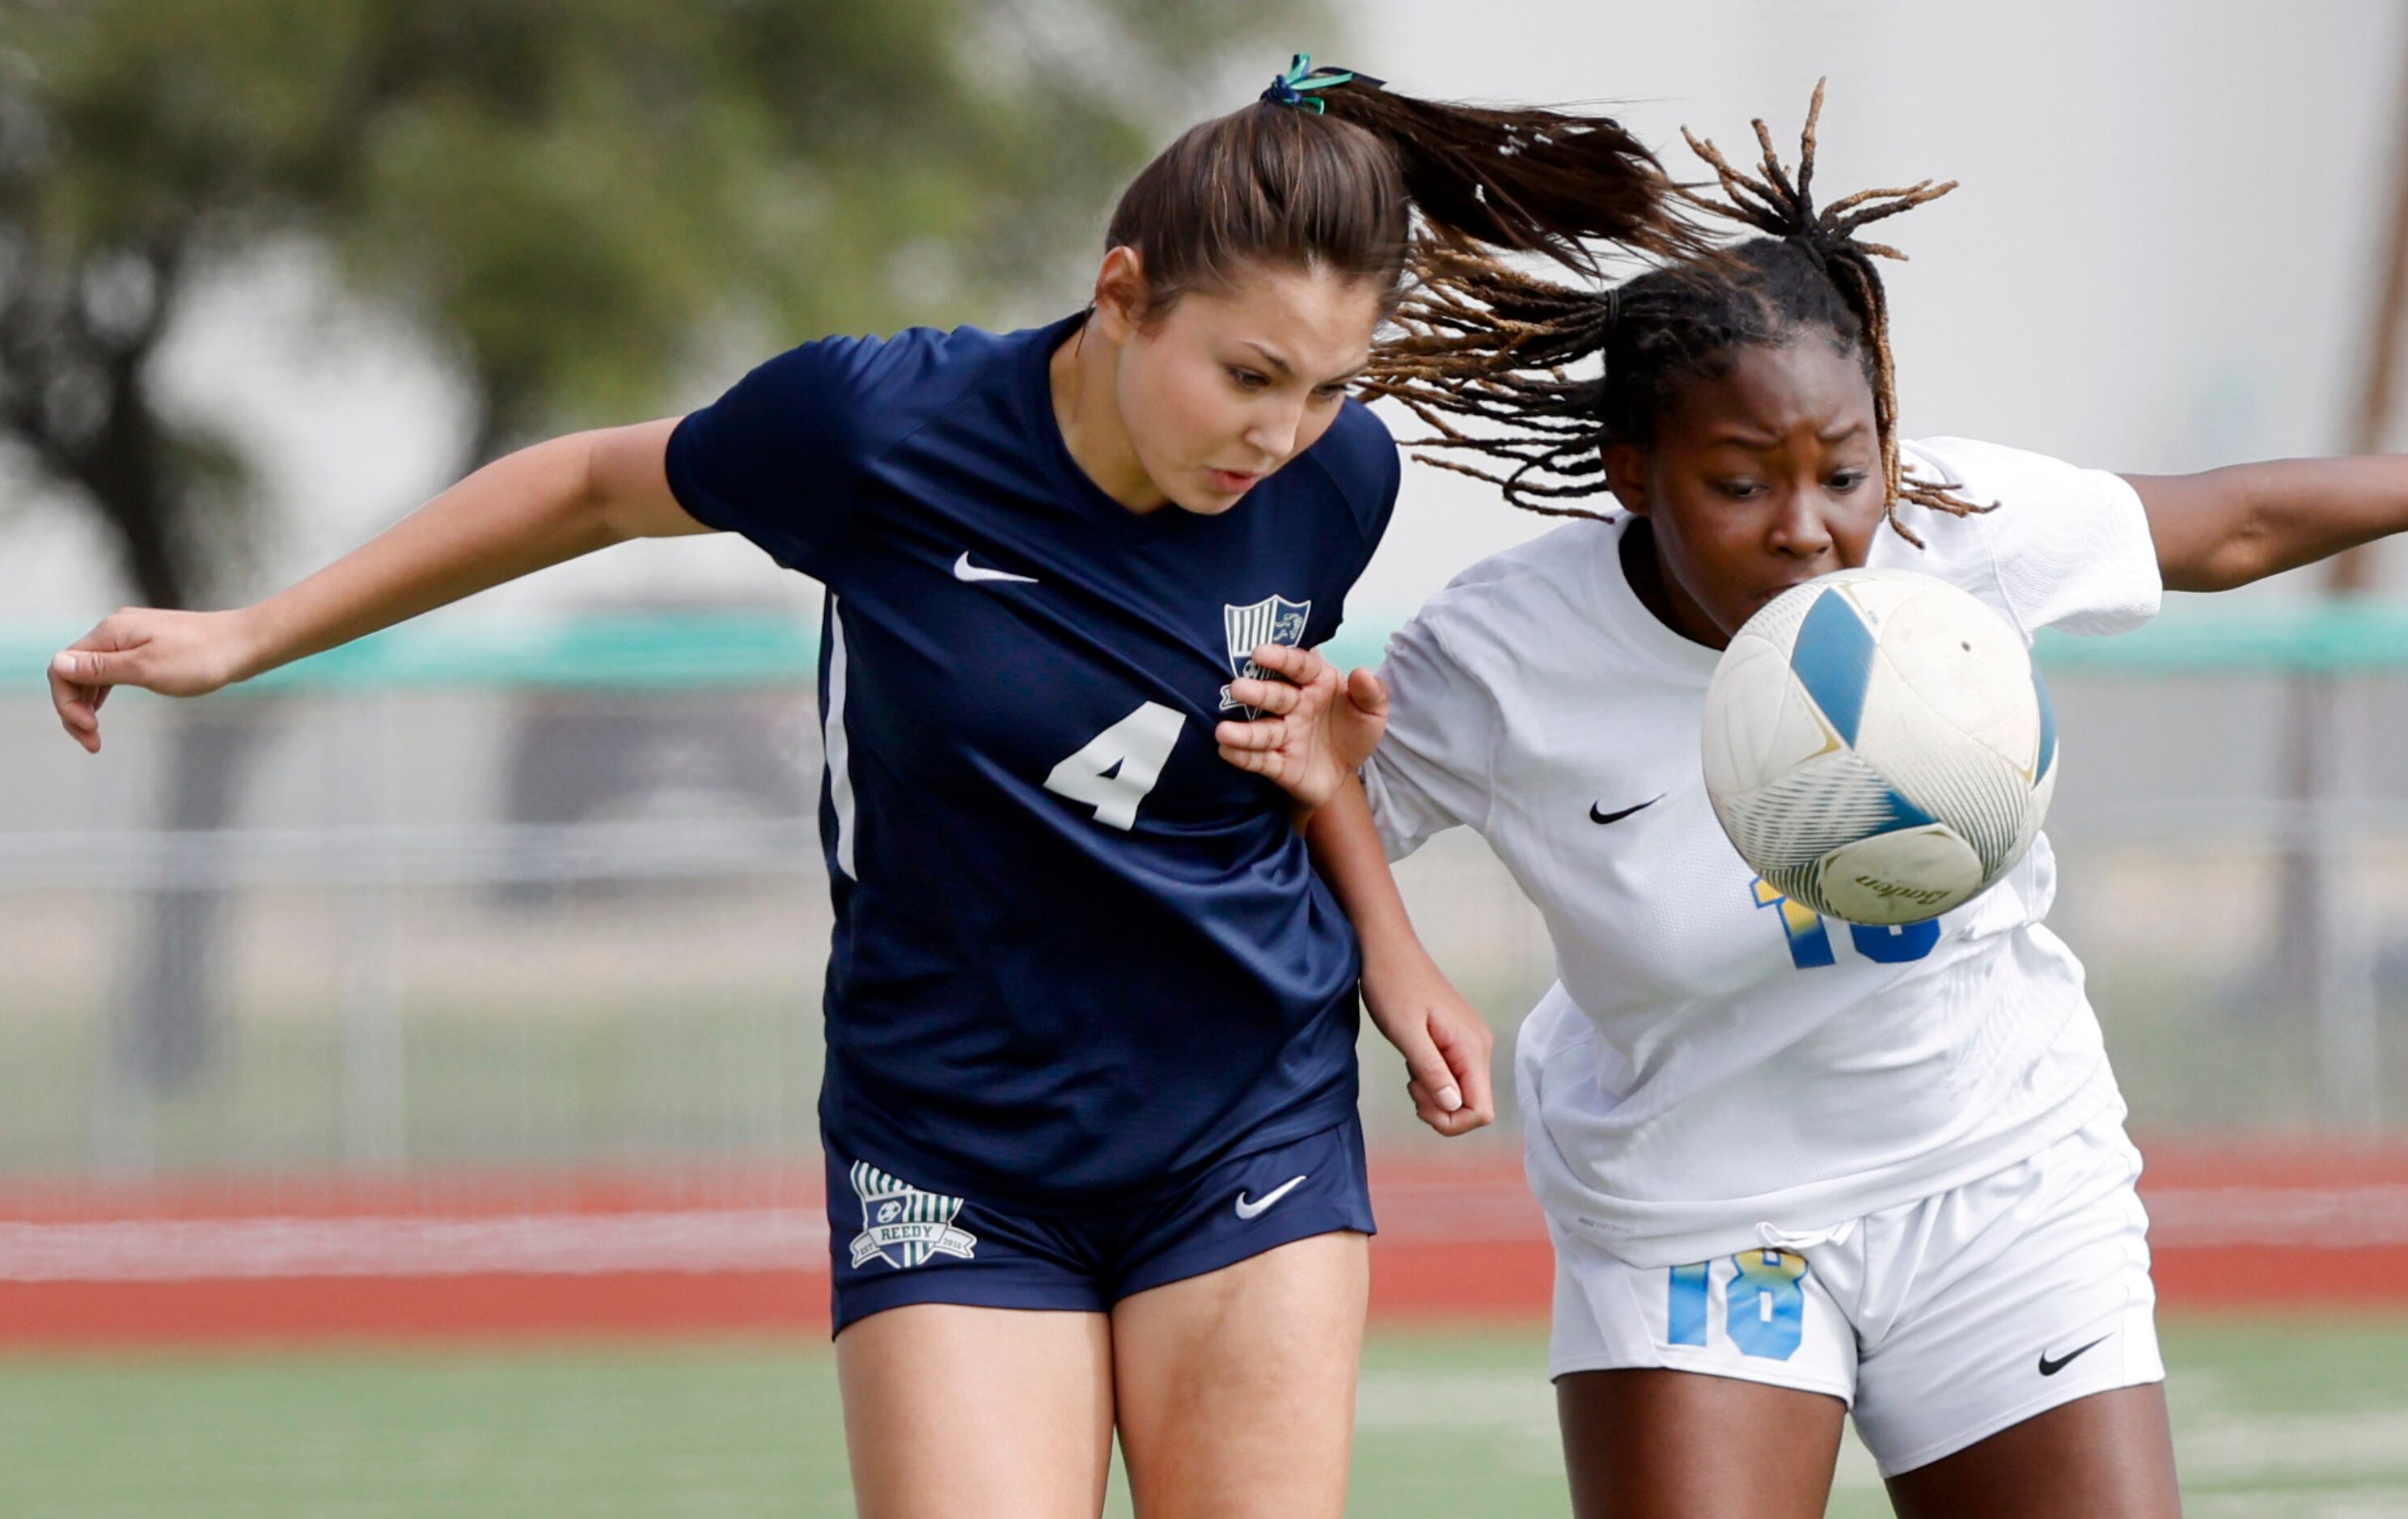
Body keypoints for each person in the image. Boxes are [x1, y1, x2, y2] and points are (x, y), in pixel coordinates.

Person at [43, 56, 1692, 1519]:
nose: (1282, 430)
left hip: (1244, 1111)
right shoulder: (871, 433)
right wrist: (253, 632)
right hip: (953, 1139)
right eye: (1247, 375)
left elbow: (1281, 743)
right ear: (1121, 294)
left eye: (1328, 387)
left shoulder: (1339, 481)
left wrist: (1394, 959)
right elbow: (588, 486)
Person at [1319, 87, 2408, 1517]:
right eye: (1741, 483)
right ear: (1634, 472)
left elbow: (2226, 522)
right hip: (1696, 1217)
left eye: (1844, 471)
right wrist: (1396, 946)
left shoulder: (1953, 532)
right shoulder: (1504, 655)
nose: (1809, 526)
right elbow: (1313, 815)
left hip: (2000, 1176)